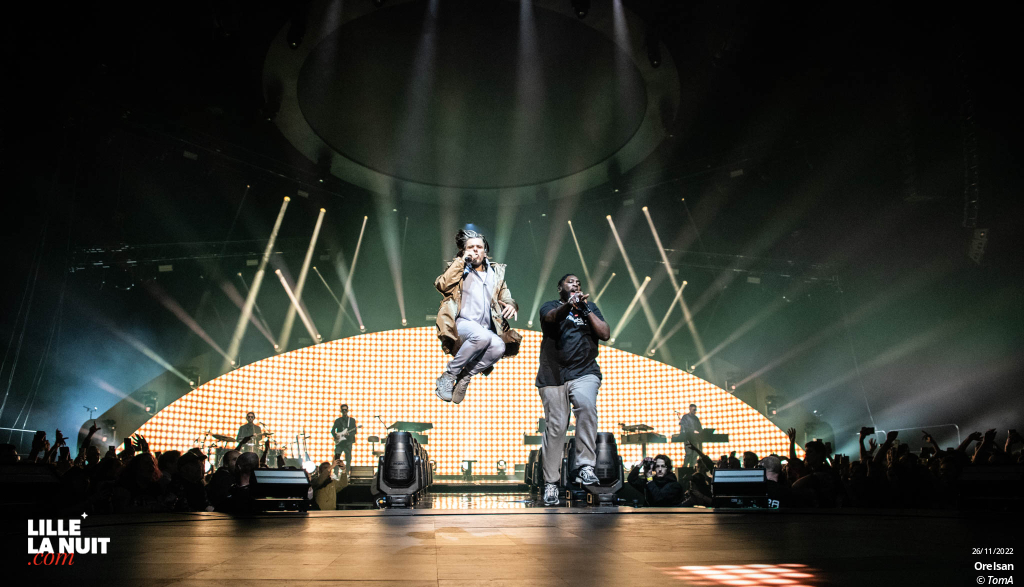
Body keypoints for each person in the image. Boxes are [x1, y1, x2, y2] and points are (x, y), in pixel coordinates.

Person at [536, 273, 610, 505]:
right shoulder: (551, 306)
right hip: (553, 375)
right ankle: (551, 483)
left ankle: (585, 466)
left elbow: (605, 333)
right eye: (570, 282)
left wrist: (585, 309)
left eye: (578, 282)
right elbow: (550, 318)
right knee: (556, 428)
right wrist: (569, 305)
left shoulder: (590, 309)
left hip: (584, 371)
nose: (575, 284)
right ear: (560, 288)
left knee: (586, 405)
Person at [434, 228, 518, 404]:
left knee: (498, 347)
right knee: (481, 336)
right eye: (470, 247)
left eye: (478, 247)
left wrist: (511, 304)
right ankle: (448, 376)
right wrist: (460, 262)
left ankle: (465, 376)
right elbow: (442, 285)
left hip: (486, 329)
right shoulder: (459, 270)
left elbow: (506, 295)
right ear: (464, 251)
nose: (475, 250)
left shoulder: (495, 274)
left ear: (485, 250)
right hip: (463, 324)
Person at [331, 404, 357, 471]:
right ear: (341, 411)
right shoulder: (338, 420)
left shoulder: (352, 420)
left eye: (345, 410)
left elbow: (354, 431)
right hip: (340, 443)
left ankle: (347, 473)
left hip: (348, 443)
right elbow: (332, 430)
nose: (344, 411)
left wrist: (349, 434)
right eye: (343, 410)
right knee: (337, 458)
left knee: (348, 459)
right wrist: (335, 435)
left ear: (347, 410)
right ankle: (336, 473)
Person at [679, 404, 703, 468]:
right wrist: (693, 431)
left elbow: (699, 427)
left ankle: (692, 468)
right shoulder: (685, 417)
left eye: (695, 410)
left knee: (695, 454)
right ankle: (684, 468)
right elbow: (684, 426)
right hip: (688, 438)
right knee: (689, 454)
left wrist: (701, 432)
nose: (695, 411)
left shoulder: (696, 418)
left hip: (695, 439)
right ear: (690, 409)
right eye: (693, 410)